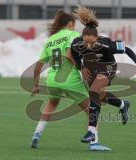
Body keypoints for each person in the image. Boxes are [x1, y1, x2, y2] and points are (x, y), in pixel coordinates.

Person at [71, 5, 136, 149]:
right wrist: (81, 67)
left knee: (94, 92)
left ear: (97, 38)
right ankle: (122, 104)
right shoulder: (77, 43)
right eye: (85, 42)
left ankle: (91, 131)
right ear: (81, 38)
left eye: (92, 42)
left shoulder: (106, 44)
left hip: (108, 68)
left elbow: (127, 49)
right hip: (91, 70)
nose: (88, 46)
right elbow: (74, 54)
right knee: (99, 96)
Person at [30, 10, 90, 149]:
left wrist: (35, 85)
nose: (74, 28)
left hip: (52, 80)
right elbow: (75, 55)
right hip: (70, 80)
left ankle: (37, 133)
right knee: (92, 111)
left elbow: (37, 67)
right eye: (73, 25)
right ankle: (93, 142)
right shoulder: (73, 35)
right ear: (70, 24)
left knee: (51, 103)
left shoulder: (49, 40)